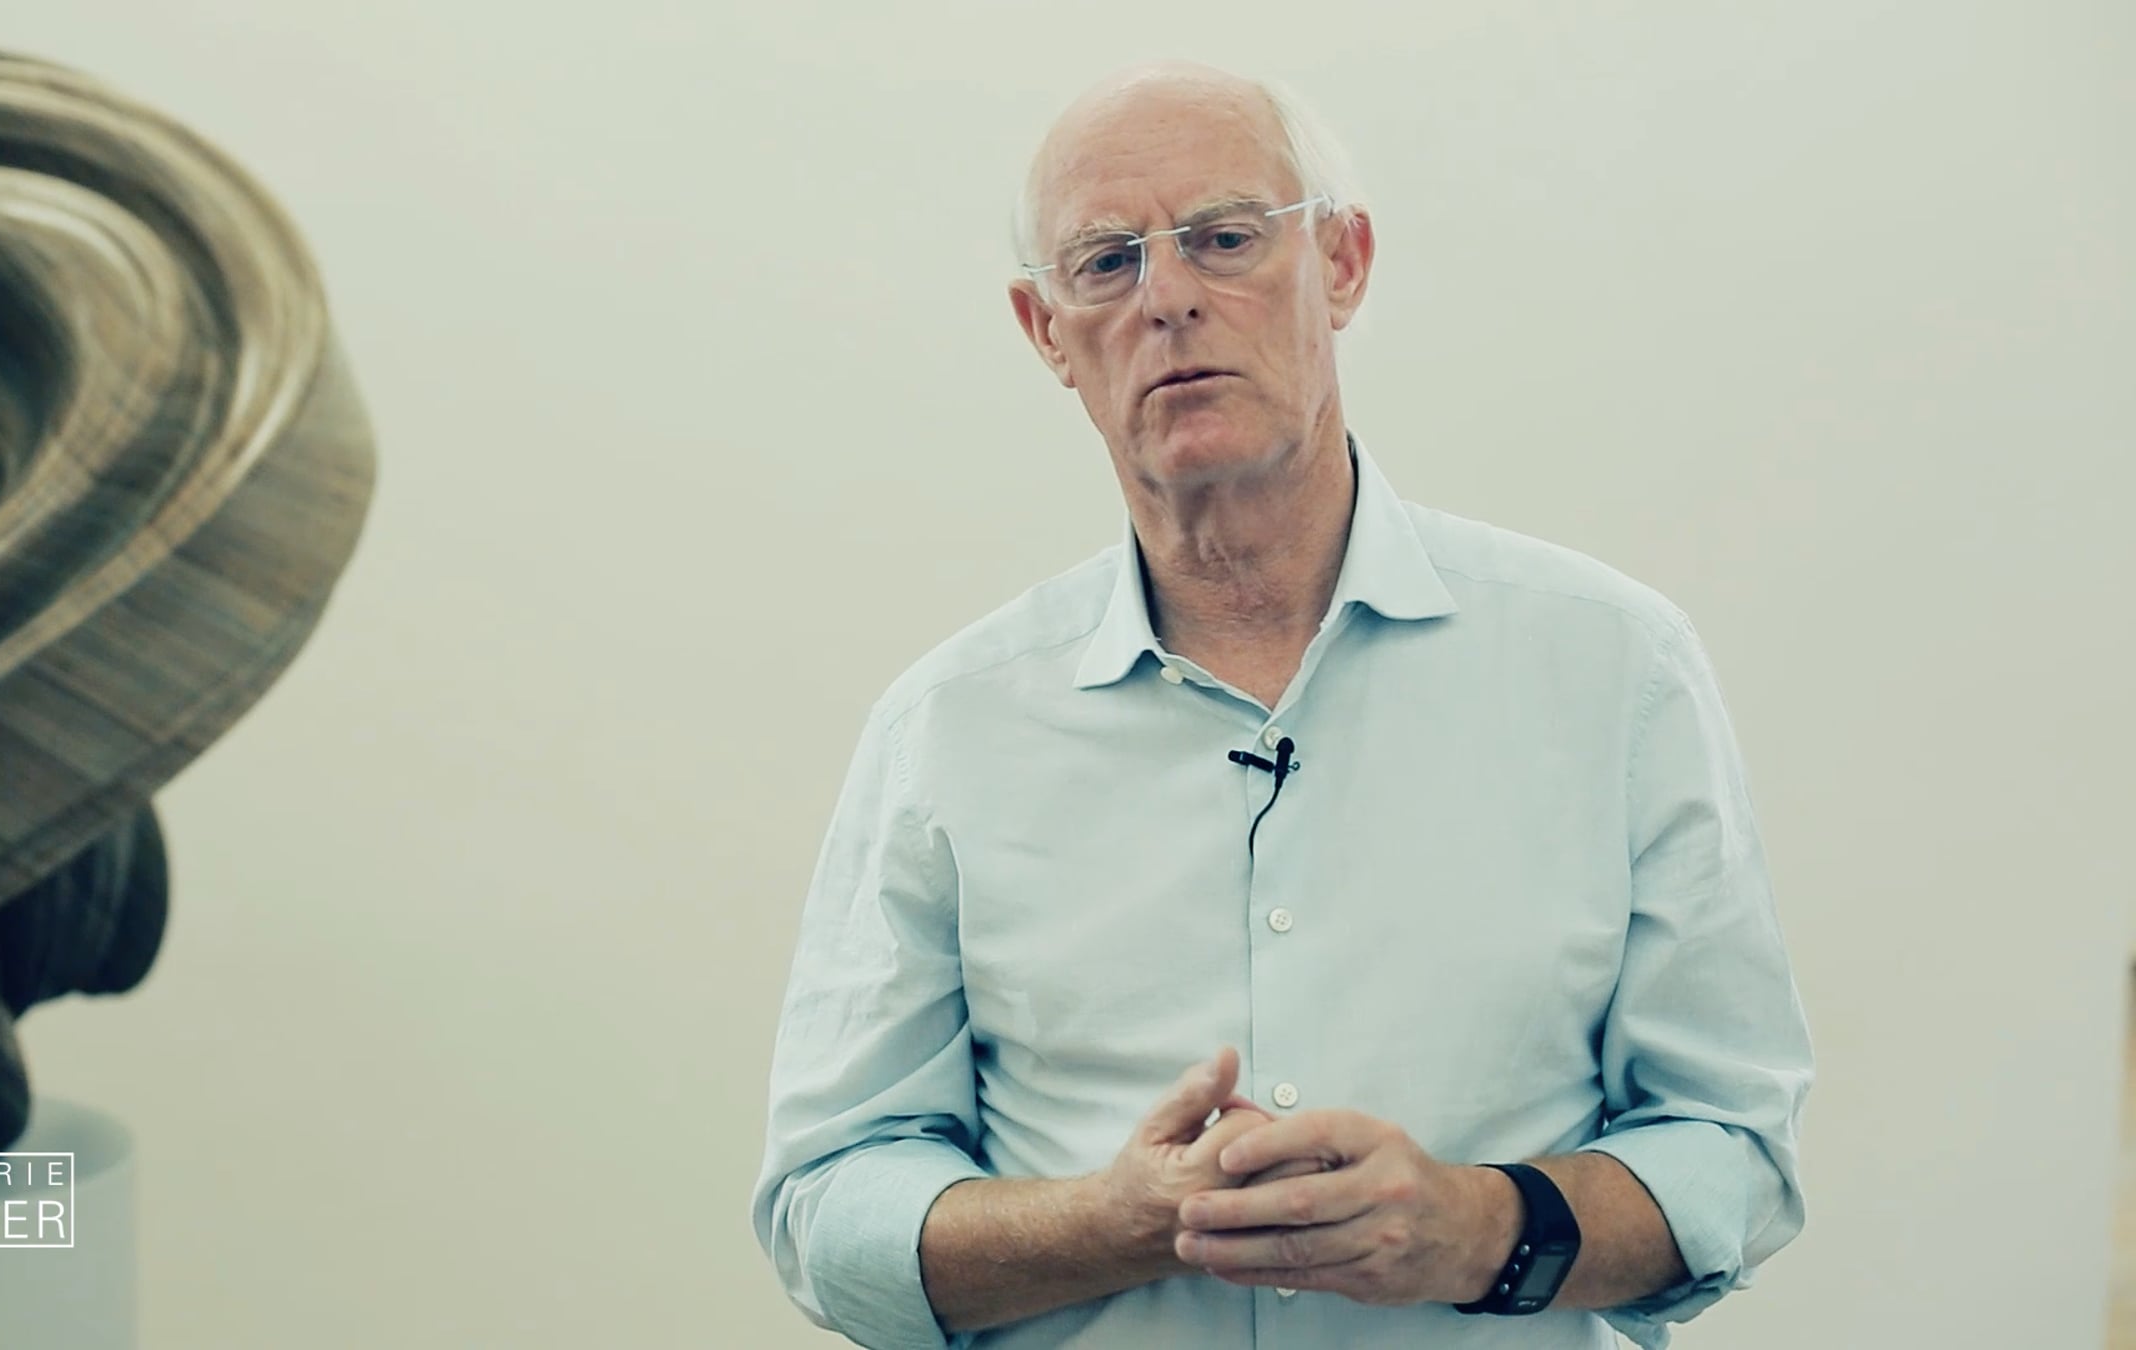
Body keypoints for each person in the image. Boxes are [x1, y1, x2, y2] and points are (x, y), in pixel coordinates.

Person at [750, 60, 1810, 1350]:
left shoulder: (1615, 667)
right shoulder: (946, 729)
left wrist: (1481, 1227)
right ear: (1047, 333)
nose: (1169, 298)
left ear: (1343, 264)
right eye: (1106, 263)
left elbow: (1732, 1150)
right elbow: (827, 1209)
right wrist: (1112, 1222)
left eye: (1225, 238)